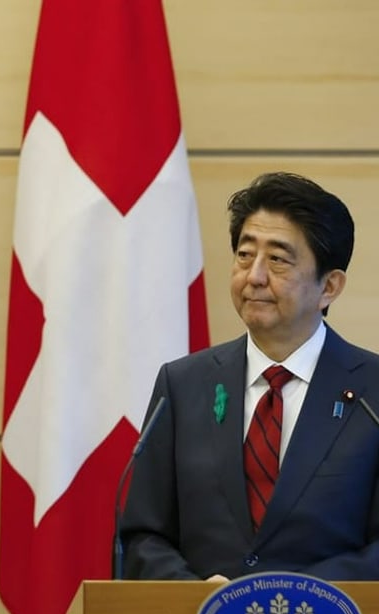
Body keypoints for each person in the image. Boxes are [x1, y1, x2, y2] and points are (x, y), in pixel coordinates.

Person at [121, 171, 379, 582]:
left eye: (277, 259)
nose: (254, 275)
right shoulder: (184, 385)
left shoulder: (372, 394)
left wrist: (303, 594)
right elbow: (142, 536)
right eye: (245, 255)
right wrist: (198, 598)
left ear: (329, 286)